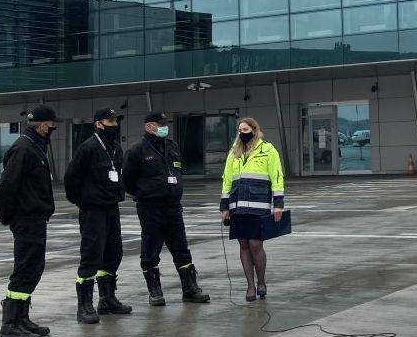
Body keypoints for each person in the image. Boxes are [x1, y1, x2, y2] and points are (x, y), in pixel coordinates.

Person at [121, 111, 210, 305]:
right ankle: (155, 291)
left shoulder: (172, 146)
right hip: (150, 208)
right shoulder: (137, 150)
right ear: (148, 127)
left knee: (181, 249)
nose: (164, 128)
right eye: (160, 124)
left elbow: (177, 170)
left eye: (165, 124)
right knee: (150, 251)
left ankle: (190, 289)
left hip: (173, 207)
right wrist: (145, 193)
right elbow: (127, 179)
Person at [0, 105, 60, 337]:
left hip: (35, 218)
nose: (53, 129)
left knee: (33, 268)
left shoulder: (34, 147)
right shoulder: (24, 149)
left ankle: (21, 319)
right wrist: (6, 216)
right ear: (42, 126)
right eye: (51, 125)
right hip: (26, 218)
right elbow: (6, 186)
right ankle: (9, 327)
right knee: (25, 269)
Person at [63, 108, 132, 324]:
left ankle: (107, 299)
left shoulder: (115, 148)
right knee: (91, 256)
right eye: (110, 121)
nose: (114, 125)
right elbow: (71, 178)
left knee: (113, 253)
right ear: (98, 124)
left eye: (116, 121)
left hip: (112, 208)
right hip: (93, 210)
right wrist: (83, 201)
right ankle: (84, 306)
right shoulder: (88, 148)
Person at [219, 117, 285, 302]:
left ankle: (261, 282)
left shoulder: (268, 150)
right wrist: (224, 207)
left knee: (256, 244)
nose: (242, 133)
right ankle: (250, 286)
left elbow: (277, 177)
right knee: (244, 245)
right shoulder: (234, 152)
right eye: (240, 130)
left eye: (245, 130)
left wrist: (278, 204)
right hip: (237, 207)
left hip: (258, 206)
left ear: (254, 131)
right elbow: (227, 180)